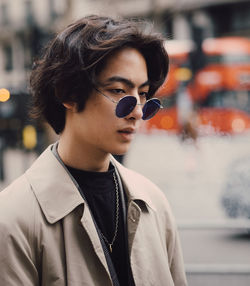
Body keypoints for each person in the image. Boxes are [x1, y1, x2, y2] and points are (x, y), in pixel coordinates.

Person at [0, 15, 187, 286]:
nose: (136, 112)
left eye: (144, 94)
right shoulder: (13, 218)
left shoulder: (153, 203)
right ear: (68, 93)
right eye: (119, 90)